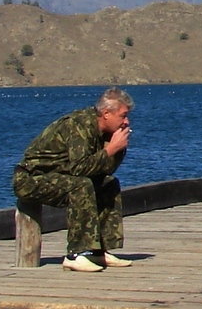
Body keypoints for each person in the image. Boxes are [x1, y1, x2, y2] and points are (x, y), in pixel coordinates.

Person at [13, 87, 134, 272]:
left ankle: (98, 251)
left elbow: (104, 169)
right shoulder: (79, 125)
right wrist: (110, 150)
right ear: (106, 113)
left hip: (60, 176)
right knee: (81, 185)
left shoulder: (104, 132)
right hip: (30, 179)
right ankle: (76, 254)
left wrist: (117, 149)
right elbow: (79, 168)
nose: (126, 122)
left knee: (108, 183)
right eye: (123, 116)